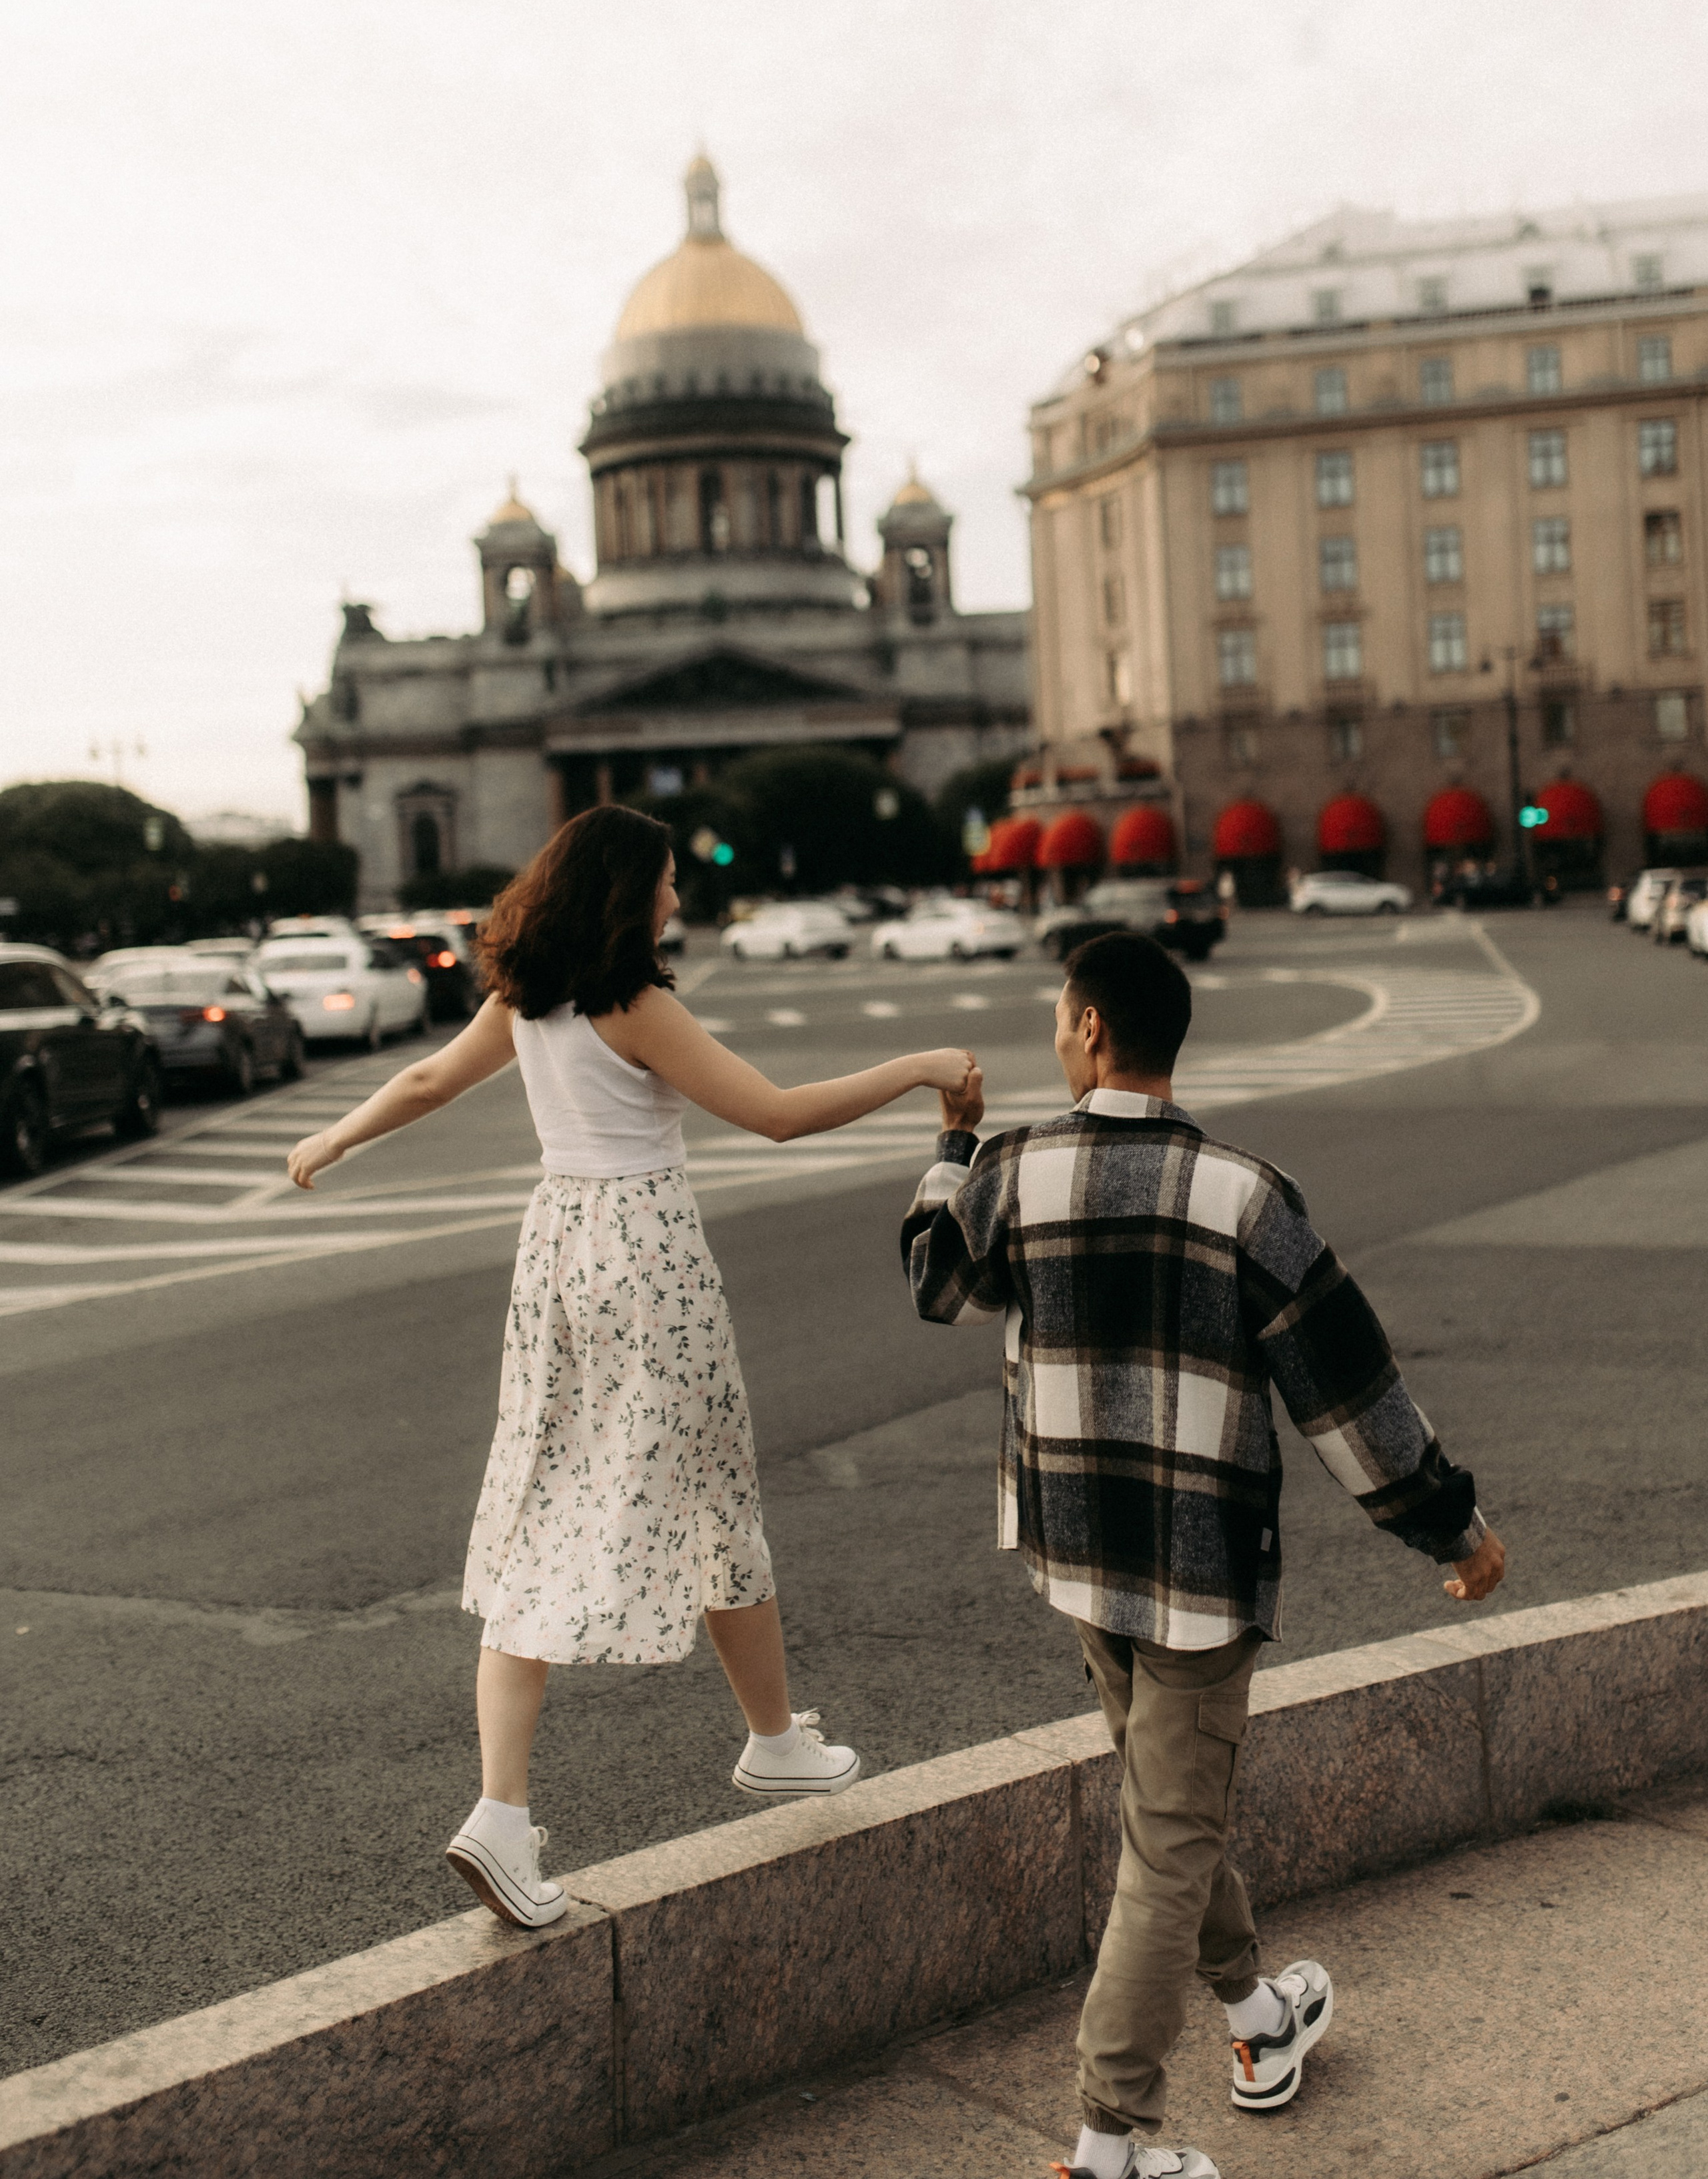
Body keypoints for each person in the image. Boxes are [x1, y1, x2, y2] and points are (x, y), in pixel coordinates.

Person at [287, 804, 974, 1933]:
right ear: (625, 893)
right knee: (673, 1494)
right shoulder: (634, 1004)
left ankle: (758, 1742)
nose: (675, 896)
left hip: (559, 1251)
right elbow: (777, 1117)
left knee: (574, 1498)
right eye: (664, 880)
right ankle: (563, 1799)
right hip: (649, 1255)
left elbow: (422, 1084)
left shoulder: (527, 998)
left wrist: (335, 1139)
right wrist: (921, 1067)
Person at [899, 930, 1505, 2179]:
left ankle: (1256, 2018)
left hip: (1074, 1555)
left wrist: (955, 1139)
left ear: (1088, 1030)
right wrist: (1452, 1526)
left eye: (1060, 1015)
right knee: (1171, 1835)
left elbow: (933, 1281)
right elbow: (1350, 1394)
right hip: (1200, 1573)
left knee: (1169, 1814)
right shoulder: (1248, 1195)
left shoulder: (1015, 1168)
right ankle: (1105, 2148)